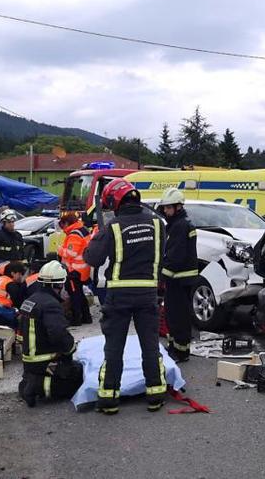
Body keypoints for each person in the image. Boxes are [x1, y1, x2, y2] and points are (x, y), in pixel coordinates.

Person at [83, 178, 166, 415]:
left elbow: (93, 259)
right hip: (148, 293)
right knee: (150, 345)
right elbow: (162, 256)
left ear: (116, 201)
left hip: (119, 295)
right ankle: (155, 395)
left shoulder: (113, 227)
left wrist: (96, 238)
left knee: (114, 348)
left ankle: (109, 400)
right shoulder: (158, 224)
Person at [17, 260, 83, 408]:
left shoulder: (30, 301)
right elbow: (58, 334)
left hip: (29, 360)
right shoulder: (51, 304)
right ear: (57, 285)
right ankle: (38, 387)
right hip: (44, 359)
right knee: (78, 374)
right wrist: (71, 348)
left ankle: (29, 382)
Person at [157, 187, 199, 363]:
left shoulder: (180, 226)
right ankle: (174, 347)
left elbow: (175, 256)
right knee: (172, 315)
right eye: (165, 208)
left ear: (178, 207)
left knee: (179, 317)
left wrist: (160, 276)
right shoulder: (178, 224)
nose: (165, 211)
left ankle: (181, 352)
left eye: (168, 208)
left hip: (180, 279)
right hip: (178, 279)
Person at [58, 213, 93, 326]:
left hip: (74, 270)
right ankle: (86, 317)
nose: (62, 229)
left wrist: (60, 250)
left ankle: (77, 319)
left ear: (67, 223)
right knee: (79, 294)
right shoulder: (83, 230)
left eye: (62, 225)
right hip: (83, 269)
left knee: (75, 295)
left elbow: (71, 253)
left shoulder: (74, 234)